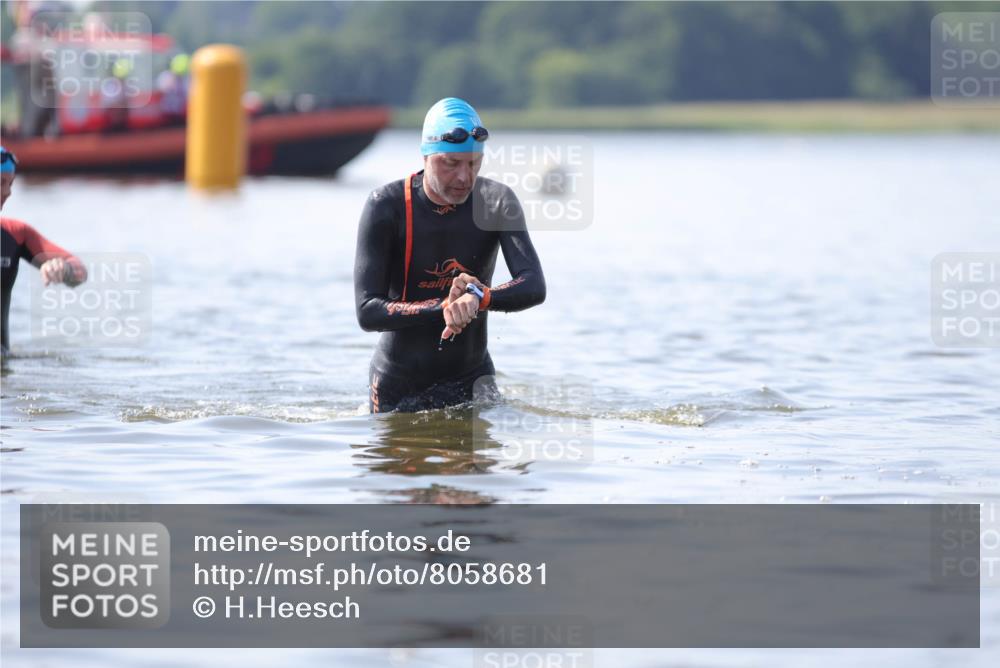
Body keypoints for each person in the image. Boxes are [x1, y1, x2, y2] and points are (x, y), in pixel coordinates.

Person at [354, 97, 546, 413]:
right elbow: (367, 311)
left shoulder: (496, 201)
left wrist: (479, 296)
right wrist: (444, 306)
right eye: (451, 163)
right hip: (397, 382)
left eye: (473, 163)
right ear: (426, 156)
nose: (464, 177)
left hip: (471, 380)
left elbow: (534, 285)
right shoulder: (386, 206)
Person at [1, 146, 87, 356]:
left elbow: (80, 271)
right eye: (1, 182)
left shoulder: (16, 234)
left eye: (10, 183)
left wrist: (64, 268)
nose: (8, 192)